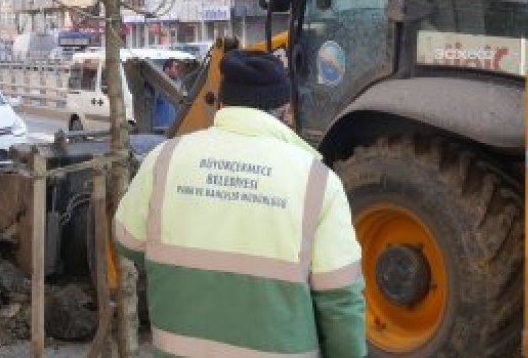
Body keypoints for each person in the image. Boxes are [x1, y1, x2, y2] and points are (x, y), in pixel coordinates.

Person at [113, 50, 367, 357]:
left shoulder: (164, 159)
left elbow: (127, 240)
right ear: (286, 110)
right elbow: (340, 301)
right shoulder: (317, 180)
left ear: (221, 103)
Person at [151, 59, 184, 132]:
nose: (177, 70)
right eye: (175, 67)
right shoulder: (158, 83)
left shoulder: (178, 83)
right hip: (160, 126)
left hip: (173, 125)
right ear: (167, 69)